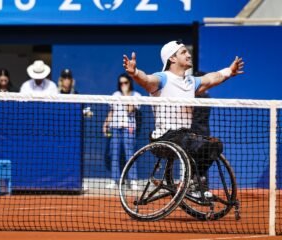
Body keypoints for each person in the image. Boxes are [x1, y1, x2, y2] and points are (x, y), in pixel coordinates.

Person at [123, 40, 244, 195]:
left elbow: (212, 78)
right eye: (183, 52)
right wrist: (134, 73)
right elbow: (147, 80)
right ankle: (192, 181)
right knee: (197, 143)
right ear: (172, 59)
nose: (188, 54)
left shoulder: (190, 81)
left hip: (184, 136)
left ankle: (195, 179)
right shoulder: (162, 78)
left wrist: (230, 71)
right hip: (164, 138)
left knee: (215, 145)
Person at [103, 73, 141, 190]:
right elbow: (112, 112)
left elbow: (129, 110)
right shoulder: (115, 95)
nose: (123, 85)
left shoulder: (136, 96)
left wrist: (125, 95)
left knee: (130, 154)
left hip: (128, 128)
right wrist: (105, 124)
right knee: (114, 154)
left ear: (130, 83)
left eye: (125, 82)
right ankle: (115, 180)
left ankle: (133, 180)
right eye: (121, 83)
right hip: (115, 128)